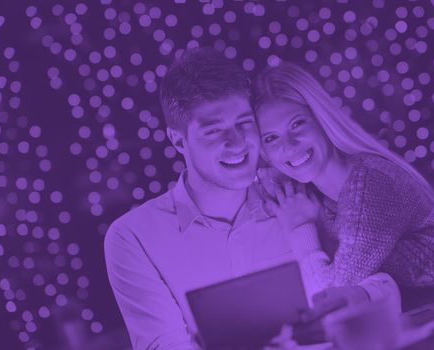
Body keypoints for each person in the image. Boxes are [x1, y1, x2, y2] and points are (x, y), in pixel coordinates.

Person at [104, 48, 399, 350]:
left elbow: (385, 283)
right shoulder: (134, 237)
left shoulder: (296, 191)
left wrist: (356, 295)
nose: (237, 143)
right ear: (179, 140)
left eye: (244, 123)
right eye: (214, 130)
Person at [252, 61, 434, 312]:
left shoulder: (372, 184)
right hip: (420, 325)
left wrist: (301, 228)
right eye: (271, 138)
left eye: (297, 124)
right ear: (264, 152)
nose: (288, 146)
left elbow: (330, 298)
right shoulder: (314, 199)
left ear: (321, 120)